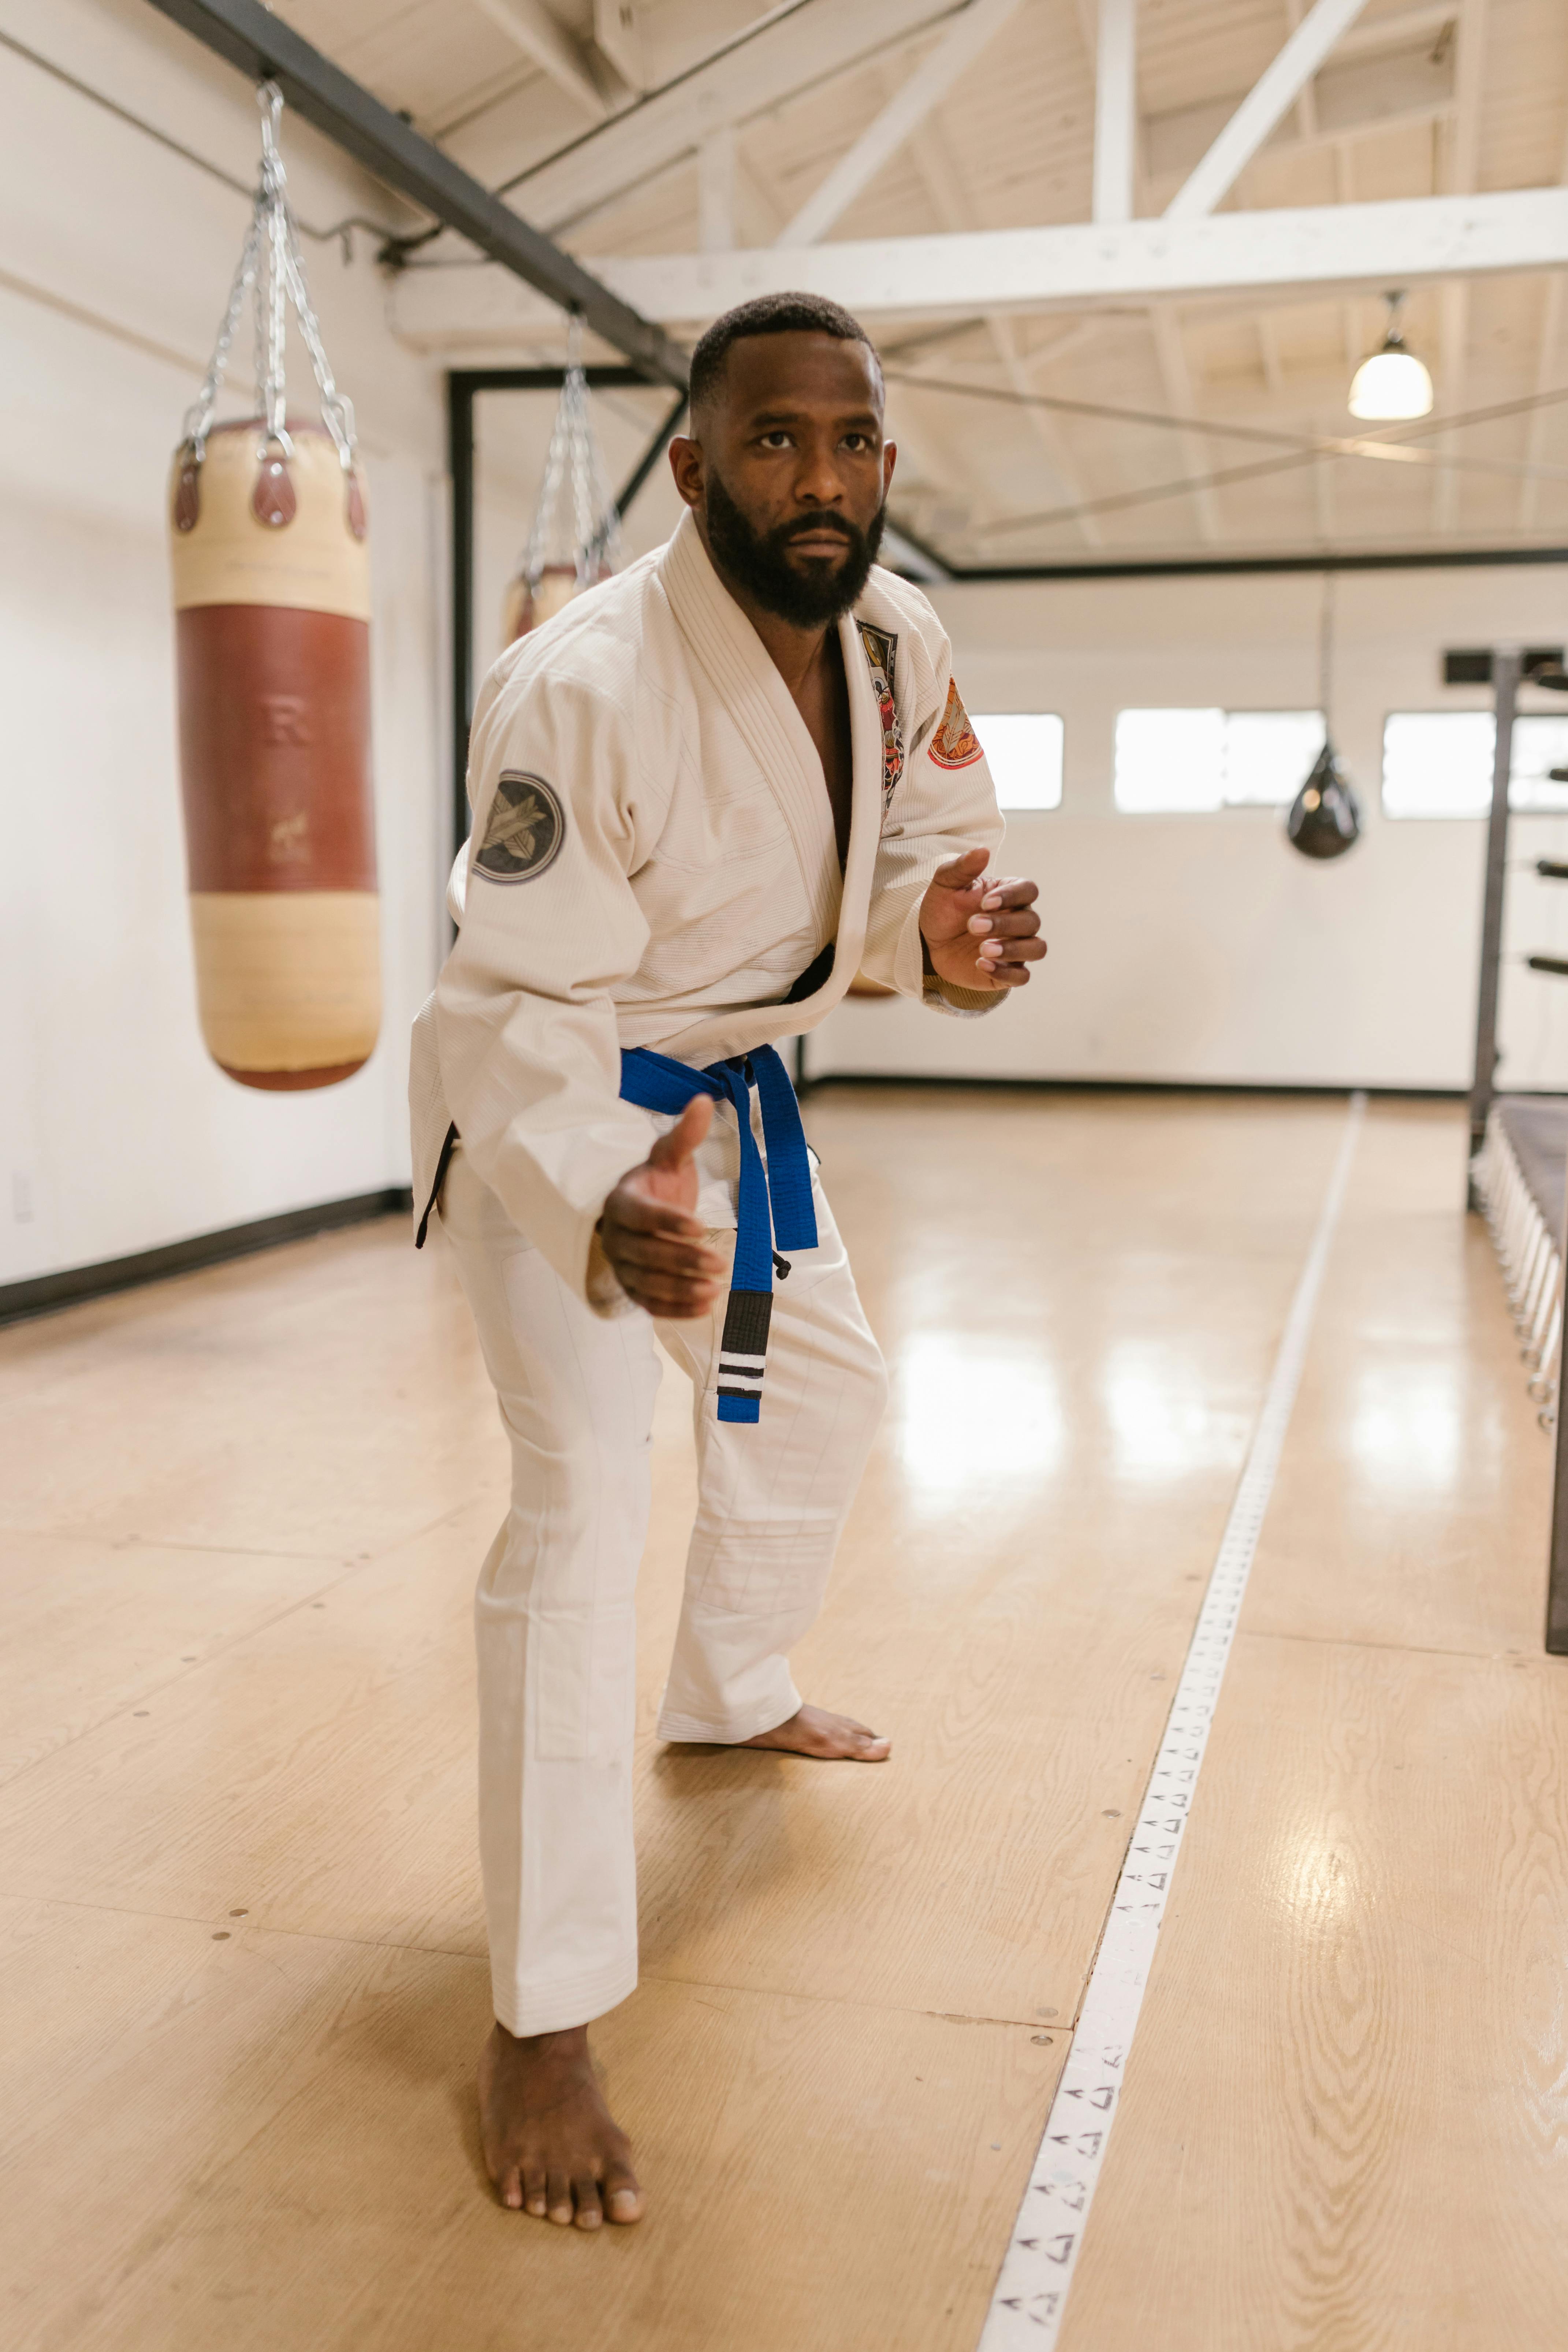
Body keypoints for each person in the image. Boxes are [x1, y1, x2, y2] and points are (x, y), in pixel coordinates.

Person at [409, 292, 1046, 2231]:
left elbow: (922, 854)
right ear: (694, 468)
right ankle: (543, 2015)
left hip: (737, 1116)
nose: (825, 480)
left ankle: (728, 1680)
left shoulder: (900, 635)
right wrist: (599, 1180)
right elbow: (501, 989)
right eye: (777, 443)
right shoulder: (578, 684)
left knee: (822, 1383)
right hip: (574, 1126)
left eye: (853, 444)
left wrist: (945, 946)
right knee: (581, 1508)